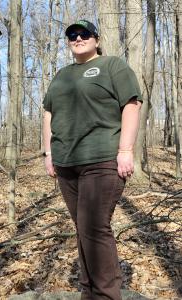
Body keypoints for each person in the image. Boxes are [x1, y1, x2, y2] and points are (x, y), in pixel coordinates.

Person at [43, 19, 142, 300]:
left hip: (101, 160)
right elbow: (48, 113)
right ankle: (89, 293)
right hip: (66, 164)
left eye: (84, 33)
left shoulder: (113, 66)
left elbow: (131, 106)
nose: (77, 38)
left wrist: (126, 150)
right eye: (72, 35)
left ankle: (107, 295)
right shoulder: (61, 75)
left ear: (96, 39)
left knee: (94, 228)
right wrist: (48, 153)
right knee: (83, 229)